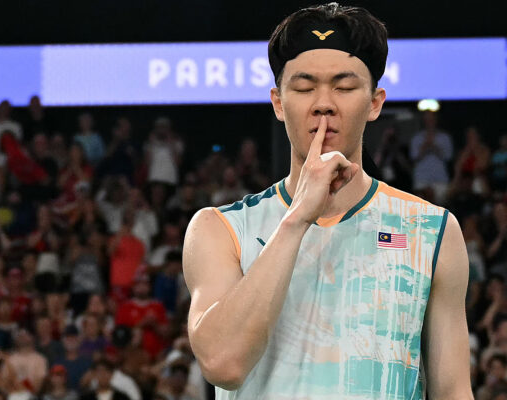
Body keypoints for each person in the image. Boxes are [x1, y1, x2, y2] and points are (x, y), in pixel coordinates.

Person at [182, 3, 473, 399]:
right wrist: (297, 218)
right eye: (304, 88)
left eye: (344, 87)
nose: (323, 103)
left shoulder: (431, 230)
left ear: (375, 103)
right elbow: (223, 364)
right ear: (278, 103)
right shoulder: (220, 229)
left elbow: (453, 391)